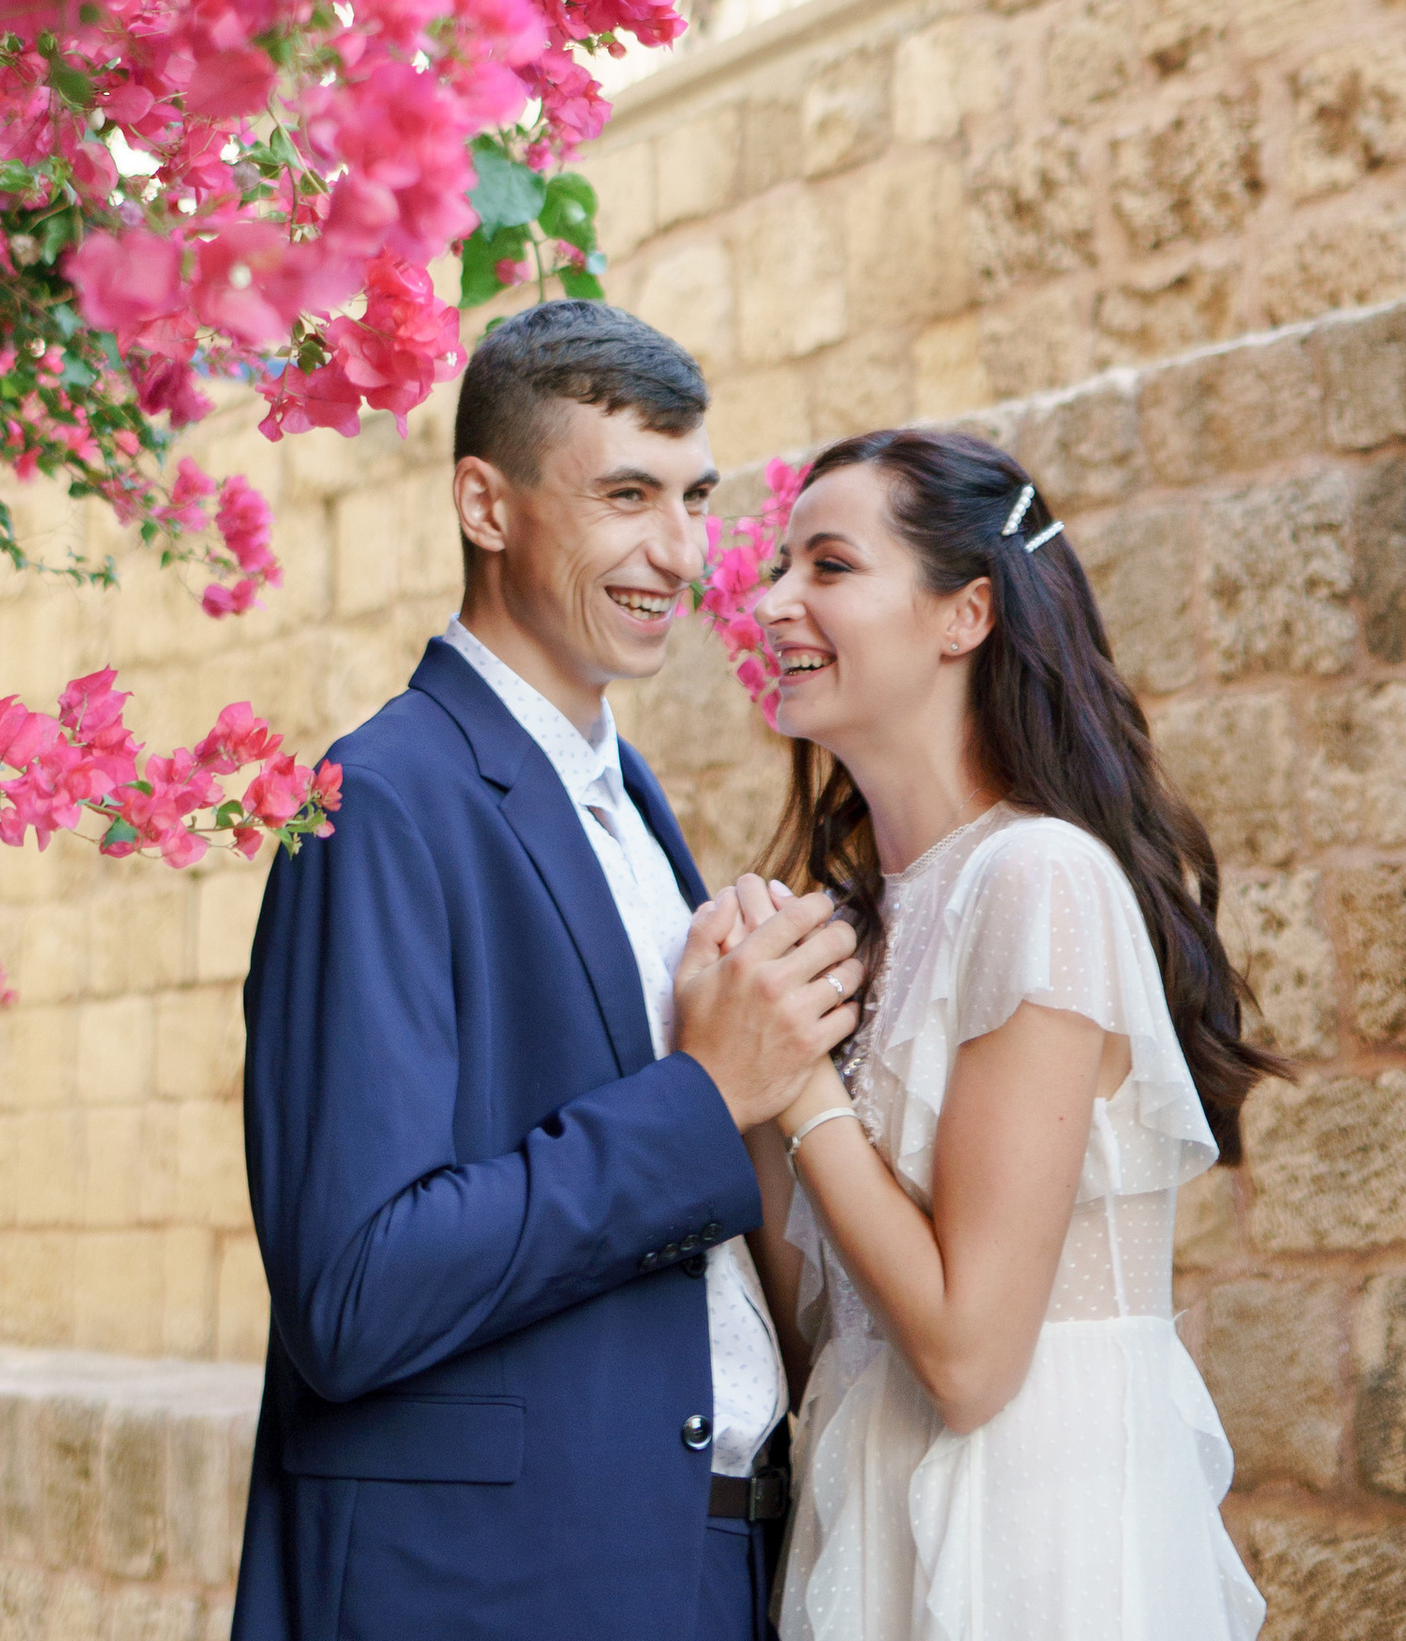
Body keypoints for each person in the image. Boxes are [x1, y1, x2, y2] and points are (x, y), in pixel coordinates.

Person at [231, 296, 862, 1641]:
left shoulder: (631, 802)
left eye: (695, 497)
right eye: (626, 493)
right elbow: (355, 1292)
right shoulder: (383, 800)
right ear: (486, 503)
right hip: (497, 1586)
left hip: (709, 1567)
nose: (680, 553)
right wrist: (703, 1099)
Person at [708, 424, 1279, 1641]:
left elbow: (968, 1360)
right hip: (866, 1514)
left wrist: (805, 1090)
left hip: (1032, 1535)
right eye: (780, 567)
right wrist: (742, 1061)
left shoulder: (1039, 883)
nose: (772, 603)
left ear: (963, 614)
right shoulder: (862, 920)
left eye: (828, 567)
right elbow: (824, 1327)